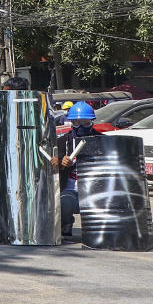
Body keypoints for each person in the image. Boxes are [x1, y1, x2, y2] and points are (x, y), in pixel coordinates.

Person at [52, 100, 101, 237]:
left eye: (86, 123)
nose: (81, 127)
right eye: (76, 123)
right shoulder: (63, 142)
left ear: (92, 121)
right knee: (64, 201)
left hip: (95, 191)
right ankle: (66, 223)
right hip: (72, 192)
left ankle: (98, 229)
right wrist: (61, 162)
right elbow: (54, 163)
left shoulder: (101, 141)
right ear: (71, 123)